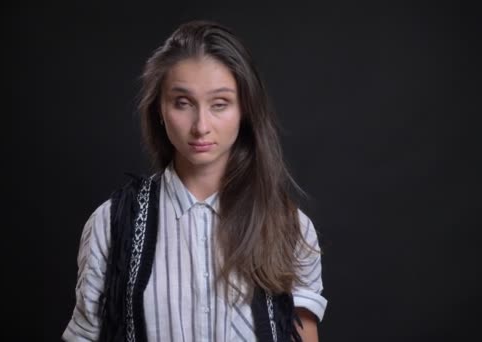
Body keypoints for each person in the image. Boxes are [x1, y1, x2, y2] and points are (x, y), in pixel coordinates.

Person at [62, 20, 327, 342]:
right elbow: (84, 336)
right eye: (183, 103)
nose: (201, 126)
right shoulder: (112, 223)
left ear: (245, 110)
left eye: (220, 104)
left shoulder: (288, 227)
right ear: (159, 109)